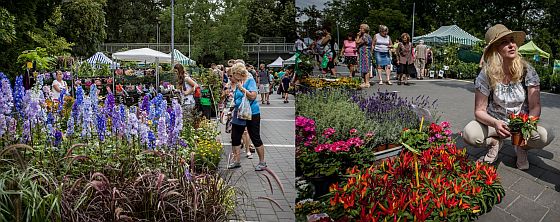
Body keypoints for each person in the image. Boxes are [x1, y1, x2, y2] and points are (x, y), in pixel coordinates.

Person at [462, 24, 554, 170]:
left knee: (545, 134)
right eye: (504, 42)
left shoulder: (527, 70)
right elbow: (479, 111)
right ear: (495, 50)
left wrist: (525, 127)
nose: (512, 45)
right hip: (495, 123)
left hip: (522, 123)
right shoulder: (486, 74)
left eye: (512, 41)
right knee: (470, 134)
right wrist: (495, 123)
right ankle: (494, 142)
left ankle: (521, 147)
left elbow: (535, 107)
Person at [228, 62, 267, 171]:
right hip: (239, 113)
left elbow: (253, 96)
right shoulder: (238, 81)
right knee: (235, 137)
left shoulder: (249, 80)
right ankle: (236, 161)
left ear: (238, 73)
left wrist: (242, 89)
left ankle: (262, 162)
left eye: (233, 75)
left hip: (252, 113)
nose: (232, 77)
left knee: (255, 137)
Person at [356, 24, 373, 88]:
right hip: (364, 52)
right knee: (364, 67)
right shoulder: (367, 36)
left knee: (365, 67)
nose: (360, 29)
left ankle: (367, 82)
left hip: (365, 52)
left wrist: (358, 35)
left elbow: (357, 42)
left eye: (361, 28)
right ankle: (365, 82)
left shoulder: (365, 36)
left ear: (365, 29)